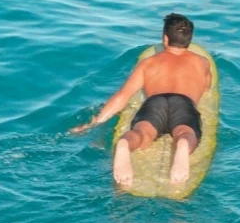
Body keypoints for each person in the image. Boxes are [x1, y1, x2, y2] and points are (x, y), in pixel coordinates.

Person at [71, 13, 211, 187]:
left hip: (155, 103)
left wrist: (93, 123)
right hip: (183, 104)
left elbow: (123, 96)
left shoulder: (148, 63)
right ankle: (182, 145)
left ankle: (125, 145)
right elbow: (207, 88)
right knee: (185, 133)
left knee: (141, 134)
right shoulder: (202, 62)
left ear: (165, 38)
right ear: (189, 39)